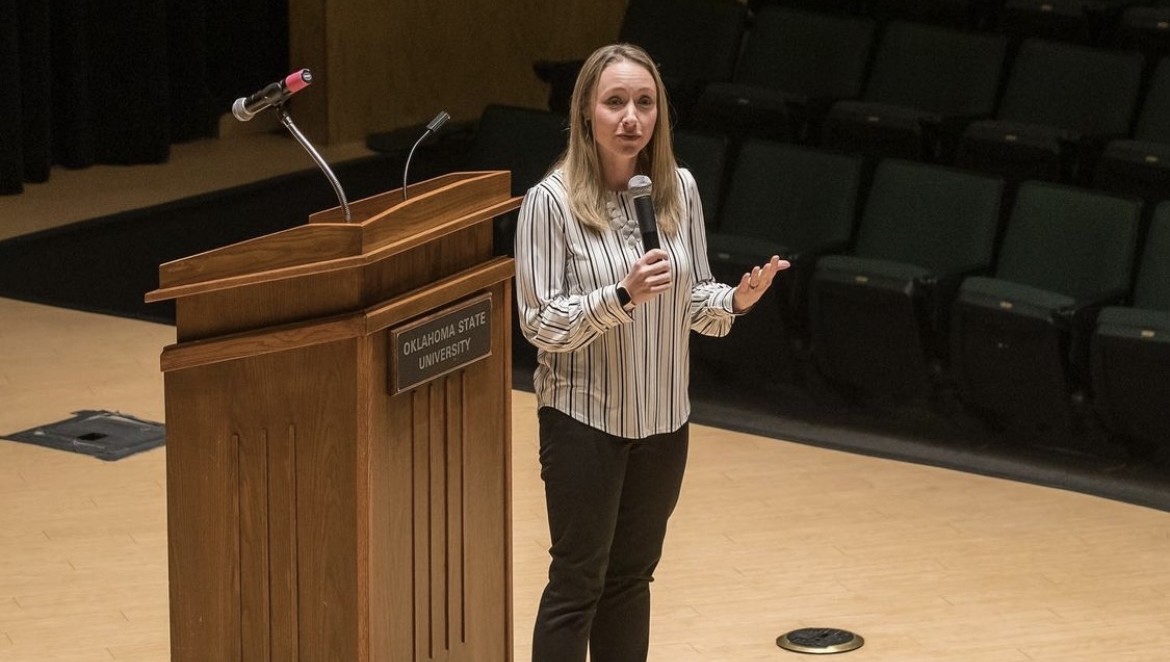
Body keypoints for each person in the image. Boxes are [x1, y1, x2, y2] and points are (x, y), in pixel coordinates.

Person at [513, 43, 790, 662]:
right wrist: (620, 295)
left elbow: (690, 301)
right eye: (615, 102)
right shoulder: (549, 204)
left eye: (644, 102)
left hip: (664, 419)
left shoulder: (676, 190)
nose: (631, 117)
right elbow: (538, 323)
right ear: (586, 112)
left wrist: (736, 300)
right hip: (584, 419)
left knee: (631, 581)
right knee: (578, 584)